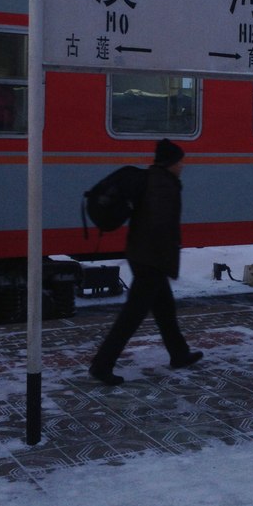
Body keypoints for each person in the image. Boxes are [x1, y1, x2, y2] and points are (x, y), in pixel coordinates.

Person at [89, 138, 203, 385]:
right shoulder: (163, 185)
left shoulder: (155, 179)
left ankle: (179, 354)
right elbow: (160, 225)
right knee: (132, 316)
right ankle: (102, 364)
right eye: (180, 161)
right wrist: (166, 259)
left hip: (145, 255)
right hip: (151, 258)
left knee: (165, 310)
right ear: (171, 163)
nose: (183, 165)